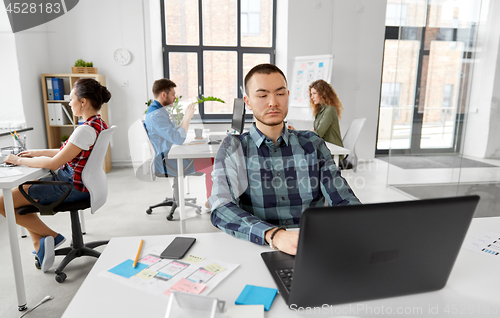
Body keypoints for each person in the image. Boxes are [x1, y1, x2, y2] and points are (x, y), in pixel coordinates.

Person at [209, 64, 361, 256]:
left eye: (280, 94)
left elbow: (342, 198)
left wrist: (360, 223)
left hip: (312, 247)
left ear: (288, 95)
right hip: (259, 247)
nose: (273, 102)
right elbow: (221, 207)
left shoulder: (312, 144)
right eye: (262, 95)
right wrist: (275, 235)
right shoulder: (233, 148)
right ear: (248, 102)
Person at [1, 78, 110, 272]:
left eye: (71, 98)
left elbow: (55, 163)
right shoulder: (98, 124)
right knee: (21, 197)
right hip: (82, 183)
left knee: (3, 201)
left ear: (83, 101)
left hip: (71, 187)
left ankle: (49, 236)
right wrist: (35, 152)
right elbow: (65, 152)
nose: (69, 103)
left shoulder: (84, 130)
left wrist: (19, 161)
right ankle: (40, 243)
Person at [144, 79, 213, 206]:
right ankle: (212, 203)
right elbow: (178, 139)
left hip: (170, 155)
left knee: (211, 160)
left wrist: (186, 118)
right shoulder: (156, 115)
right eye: (173, 94)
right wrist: (187, 117)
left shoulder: (158, 111)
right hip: (168, 162)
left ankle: (213, 200)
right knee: (213, 165)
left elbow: (174, 131)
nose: (175, 97)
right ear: (164, 95)